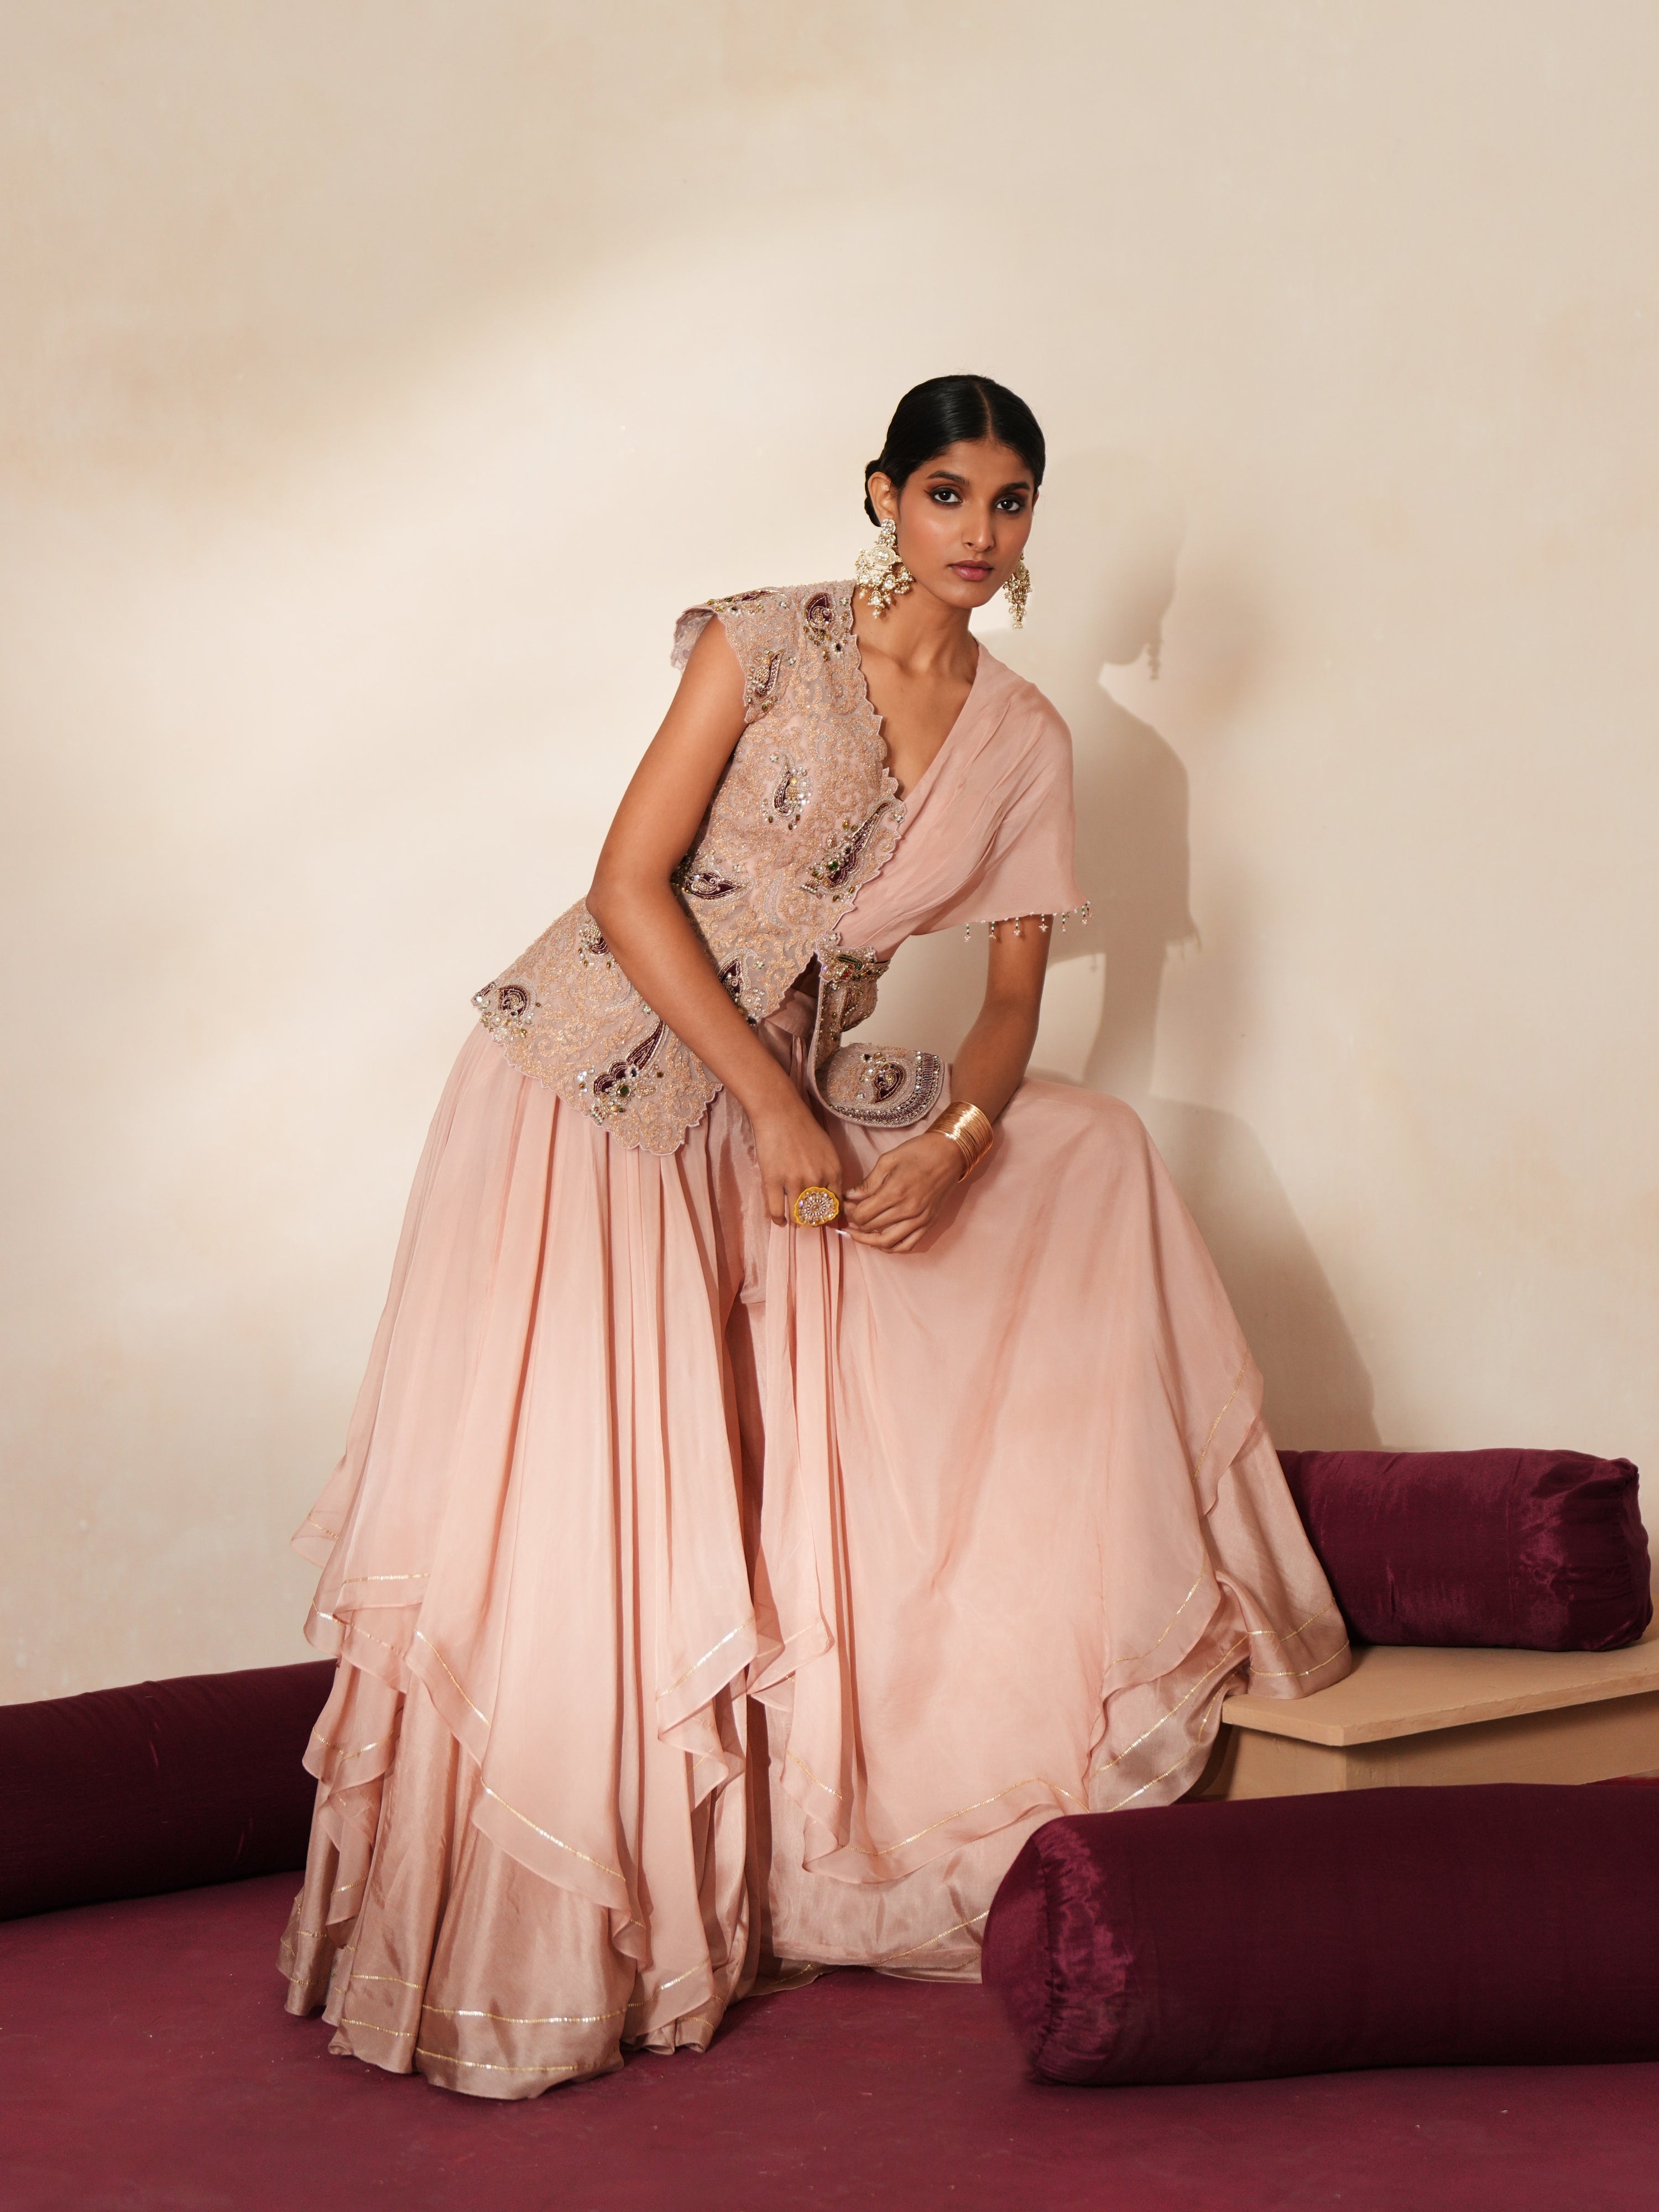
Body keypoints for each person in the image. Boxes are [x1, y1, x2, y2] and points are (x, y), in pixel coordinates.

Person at [280, 374, 1350, 2098]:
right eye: (947, 493)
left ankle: (695, 1893)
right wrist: (775, 1111)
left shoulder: (1025, 740)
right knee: (586, 1498)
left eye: (1010, 502)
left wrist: (962, 1144)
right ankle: (524, 1947)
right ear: (883, 496)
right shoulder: (763, 642)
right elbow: (628, 886)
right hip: (595, 1080)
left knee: (1089, 1154)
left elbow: (1011, 1010)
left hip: (775, 1100)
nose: (978, 533)